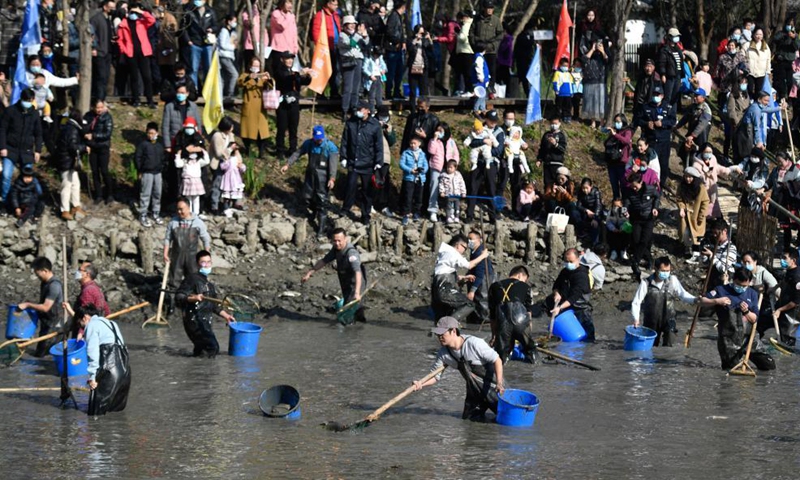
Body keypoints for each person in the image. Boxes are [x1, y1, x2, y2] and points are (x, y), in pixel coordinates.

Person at [413, 316, 504, 420]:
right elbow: (435, 377)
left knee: (506, 418)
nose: (439, 336)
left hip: (492, 387)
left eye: (442, 333)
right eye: (438, 334)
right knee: (469, 422)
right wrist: (420, 384)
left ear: (454, 331)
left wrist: (499, 383)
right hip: (474, 392)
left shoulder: (474, 344)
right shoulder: (443, 354)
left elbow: (497, 360)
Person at [63, 303, 131, 415]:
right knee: (115, 412)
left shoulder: (92, 325)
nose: (82, 328)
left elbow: (92, 353)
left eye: (80, 324)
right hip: (125, 371)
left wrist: (92, 377)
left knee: (95, 413)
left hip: (109, 370)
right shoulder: (112, 323)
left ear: (84, 317)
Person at [701, 268, 775, 370]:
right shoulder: (721, 290)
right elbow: (701, 301)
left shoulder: (752, 293)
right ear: (733, 280)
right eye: (738, 285)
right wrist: (717, 301)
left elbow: (754, 319)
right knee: (732, 372)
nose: (741, 288)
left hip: (748, 338)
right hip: (728, 340)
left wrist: (746, 312)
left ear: (749, 283)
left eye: (745, 286)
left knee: (769, 366)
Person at [281, 125, 339, 236]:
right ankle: (313, 210)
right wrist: (288, 164)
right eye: (317, 139)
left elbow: (333, 164)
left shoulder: (330, 147)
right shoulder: (309, 143)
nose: (319, 140)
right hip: (310, 175)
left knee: (322, 202)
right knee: (306, 197)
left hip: (323, 177)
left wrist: (332, 178)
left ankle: (321, 229)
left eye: (320, 138)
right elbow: (298, 153)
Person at [175, 250, 235, 357]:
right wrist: (193, 298)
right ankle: (207, 372)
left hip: (206, 322)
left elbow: (214, 306)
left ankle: (196, 371)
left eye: (208, 262)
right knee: (212, 347)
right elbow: (179, 296)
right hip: (194, 321)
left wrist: (226, 316)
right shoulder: (192, 279)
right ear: (197, 264)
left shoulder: (209, 285)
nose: (206, 265)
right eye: (203, 262)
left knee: (200, 351)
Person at [302, 228, 368, 324]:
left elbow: (358, 272)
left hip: (356, 284)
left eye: (339, 241)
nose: (337, 243)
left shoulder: (351, 254)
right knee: (356, 310)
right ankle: (361, 323)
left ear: (345, 239)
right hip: (346, 281)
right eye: (335, 241)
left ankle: (350, 329)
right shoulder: (336, 249)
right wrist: (309, 273)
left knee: (347, 312)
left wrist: (357, 292)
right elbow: (324, 261)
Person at [630, 257, 696, 346]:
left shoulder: (673, 280)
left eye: (668, 270)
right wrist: (636, 319)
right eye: (663, 271)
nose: (665, 273)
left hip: (670, 321)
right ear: (655, 269)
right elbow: (636, 302)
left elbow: (683, 295)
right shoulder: (646, 283)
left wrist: (695, 299)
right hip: (651, 322)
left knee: (669, 348)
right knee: (650, 347)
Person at [163, 197, 212, 315]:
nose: (179, 212)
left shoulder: (198, 222)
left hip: (192, 257)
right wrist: (165, 253)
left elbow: (206, 239)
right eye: (178, 210)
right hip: (176, 257)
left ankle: (194, 304)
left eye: (182, 209)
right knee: (174, 281)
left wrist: (207, 255)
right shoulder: (173, 222)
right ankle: (172, 305)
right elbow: (167, 239)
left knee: (194, 280)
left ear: (188, 208)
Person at [340, 101, 383, 224]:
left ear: (367, 110)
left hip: (368, 163)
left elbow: (378, 145)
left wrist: (378, 161)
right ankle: (345, 209)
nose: (358, 111)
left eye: (361, 109)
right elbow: (345, 141)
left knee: (366, 191)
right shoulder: (351, 123)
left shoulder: (374, 125)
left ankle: (365, 214)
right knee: (350, 187)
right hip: (353, 162)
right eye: (357, 108)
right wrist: (343, 157)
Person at [431, 234, 490, 322]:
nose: (464, 251)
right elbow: (469, 265)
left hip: (436, 290)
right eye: (464, 248)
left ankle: (443, 328)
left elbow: (444, 273)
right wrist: (483, 256)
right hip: (444, 290)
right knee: (469, 304)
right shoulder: (453, 253)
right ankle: (449, 324)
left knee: (442, 316)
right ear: (458, 245)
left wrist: (463, 277)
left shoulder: (444, 253)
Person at [0, 90, 42, 203]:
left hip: (26, 151)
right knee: (6, 175)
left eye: (30, 100)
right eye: (26, 100)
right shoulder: (10, 111)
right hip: (10, 148)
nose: (28, 103)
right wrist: (2, 147)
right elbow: (2, 129)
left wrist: (38, 150)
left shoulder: (35, 114)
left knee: (28, 177)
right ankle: (4, 200)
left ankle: (26, 201)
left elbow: (38, 133)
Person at [488, 265, 537, 363]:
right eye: (525, 279)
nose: (524, 282)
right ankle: (534, 365)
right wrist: (529, 334)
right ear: (520, 275)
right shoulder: (527, 287)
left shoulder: (494, 286)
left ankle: (501, 374)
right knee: (530, 350)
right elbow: (528, 312)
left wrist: (494, 336)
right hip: (521, 322)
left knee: (501, 357)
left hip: (503, 323)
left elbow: (493, 316)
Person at [17, 257, 63, 357]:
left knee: (49, 354)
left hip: (56, 324)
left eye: (37, 273)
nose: (36, 276)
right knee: (39, 354)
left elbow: (46, 307)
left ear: (45, 271)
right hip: (46, 322)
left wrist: (28, 304)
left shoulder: (54, 285)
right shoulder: (44, 283)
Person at [546, 248, 596, 342]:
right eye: (566, 261)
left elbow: (575, 296)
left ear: (578, 260)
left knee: (587, 338)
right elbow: (556, 285)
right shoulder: (565, 272)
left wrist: (560, 307)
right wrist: (557, 294)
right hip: (566, 306)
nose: (568, 263)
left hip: (581, 308)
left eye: (571, 261)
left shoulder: (582, 275)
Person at [465, 110, 504, 222]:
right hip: (477, 162)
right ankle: (470, 215)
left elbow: (499, 149)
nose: (493, 123)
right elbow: (472, 143)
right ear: (486, 119)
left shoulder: (499, 131)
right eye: (491, 120)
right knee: (473, 188)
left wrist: (488, 153)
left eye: (495, 121)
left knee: (491, 189)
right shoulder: (478, 128)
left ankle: (492, 215)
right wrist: (483, 141)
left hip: (491, 163)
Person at [274, 52, 312, 158]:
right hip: (283, 104)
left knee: (293, 128)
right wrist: (299, 73)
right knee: (282, 128)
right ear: (282, 59)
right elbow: (286, 78)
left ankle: (292, 150)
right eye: (288, 59)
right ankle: (280, 150)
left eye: (291, 59)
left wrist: (308, 75)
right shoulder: (279, 71)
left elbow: (303, 81)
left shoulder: (293, 73)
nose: (290, 61)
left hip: (294, 104)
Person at [117, 5, 156, 108]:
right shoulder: (123, 24)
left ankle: (150, 100)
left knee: (147, 77)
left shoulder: (141, 22)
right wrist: (124, 50)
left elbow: (152, 20)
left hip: (143, 52)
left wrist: (141, 11)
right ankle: (136, 99)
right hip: (131, 53)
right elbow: (120, 40)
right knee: (134, 77)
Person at [623, 172, 660, 281]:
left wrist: (655, 208)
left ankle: (635, 261)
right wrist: (625, 212)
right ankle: (649, 259)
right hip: (635, 219)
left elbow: (657, 197)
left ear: (641, 182)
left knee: (645, 240)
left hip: (648, 219)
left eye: (635, 186)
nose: (634, 188)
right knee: (636, 240)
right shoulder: (628, 191)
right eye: (632, 186)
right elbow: (625, 203)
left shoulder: (650, 189)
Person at [638, 85, 675, 189]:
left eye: (658, 95)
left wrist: (663, 123)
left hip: (664, 141)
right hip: (652, 141)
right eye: (654, 94)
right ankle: (649, 184)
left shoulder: (668, 108)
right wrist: (646, 124)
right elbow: (638, 120)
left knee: (663, 165)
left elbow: (673, 121)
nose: (656, 96)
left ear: (662, 96)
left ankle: (661, 186)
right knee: (652, 164)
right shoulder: (646, 107)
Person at [56, 109, 87, 221]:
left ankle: (76, 206)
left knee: (75, 183)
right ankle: (64, 209)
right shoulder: (72, 130)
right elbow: (73, 147)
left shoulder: (67, 127)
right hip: (66, 162)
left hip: (67, 161)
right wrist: (84, 148)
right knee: (67, 185)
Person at [237, 57, 271, 158]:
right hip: (250, 106)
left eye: (258, 66)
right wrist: (249, 77)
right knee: (247, 130)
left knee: (262, 131)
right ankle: (248, 150)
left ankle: (261, 152)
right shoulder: (245, 75)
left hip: (260, 107)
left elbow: (271, 85)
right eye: (254, 66)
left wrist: (269, 78)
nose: (256, 68)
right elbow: (240, 83)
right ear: (250, 66)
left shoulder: (262, 76)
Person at [83, 99, 115, 204]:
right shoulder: (88, 116)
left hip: (103, 147)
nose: (99, 110)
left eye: (101, 107)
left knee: (104, 171)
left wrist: (94, 135)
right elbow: (84, 128)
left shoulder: (107, 117)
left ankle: (109, 193)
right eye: (97, 108)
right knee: (95, 171)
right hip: (92, 147)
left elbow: (107, 134)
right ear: (93, 107)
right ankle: (98, 194)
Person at [741, 251, 779, 338]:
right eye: (744, 262)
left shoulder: (763, 273)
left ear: (755, 261)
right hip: (749, 304)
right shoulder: (743, 273)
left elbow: (776, 287)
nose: (746, 264)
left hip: (763, 304)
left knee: (759, 325)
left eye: (748, 262)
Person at [180, 0, 218, 86]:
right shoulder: (189, 12)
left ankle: (207, 88)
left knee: (208, 68)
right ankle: (194, 89)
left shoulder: (211, 11)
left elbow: (216, 26)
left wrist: (212, 29)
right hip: (194, 43)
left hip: (207, 43)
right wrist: (188, 40)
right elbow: (184, 27)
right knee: (194, 68)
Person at [426, 122, 459, 222]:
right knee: (434, 188)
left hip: (448, 169)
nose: (439, 132)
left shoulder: (451, 141)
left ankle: (450, 212)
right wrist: (435, 139)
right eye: (438, 130)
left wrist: (455, 165)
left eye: (441, 130)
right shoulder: (434, 140)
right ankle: (433, 211)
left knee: (450, 189)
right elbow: (431, 151)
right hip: (436, 167)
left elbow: (456, 154)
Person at [468, 0, 503, 91]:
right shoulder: (477, 20)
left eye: (491, 8)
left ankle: (491, 87)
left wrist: (493, 46)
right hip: (479, 49)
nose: (489, 10)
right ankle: (478, 87)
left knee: (492, 70)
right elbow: (471, 33)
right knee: (478, 69)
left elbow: (500, 35)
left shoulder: (496, 20)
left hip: (491, 49)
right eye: (488, 8)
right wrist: (474, 45)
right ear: (484, 8)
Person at [338, 16, 368, 120]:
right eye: (350, 24)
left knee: (356, 87)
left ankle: (354, 108)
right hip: (348, 61)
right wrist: (357, 37)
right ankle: (345, 110)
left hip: (358, 60)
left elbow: (366, 45)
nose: (352, 26)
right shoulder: (342, 35)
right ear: (345, 25)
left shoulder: (357, 35)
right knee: (348, 87)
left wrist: (364, 36)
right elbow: (349, 43)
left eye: (354, 24)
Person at [677, 167, 710, 261]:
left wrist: (701, 215)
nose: (688, 179)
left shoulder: (701, 188)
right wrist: (681, 208)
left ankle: (696, 254)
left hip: (696, 215)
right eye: (686, 177)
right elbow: (679, 198)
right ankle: (687, 247)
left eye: (690, 177)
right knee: (685, 232)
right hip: (685, 215)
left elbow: (705, 202)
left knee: (697, 235)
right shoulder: (681, 186)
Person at [136, 122, 165, 227]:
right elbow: (138, 158)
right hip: (147, 172)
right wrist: (140, 170)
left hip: (157, 173)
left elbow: (163, 158)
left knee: (157, 193)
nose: (150, 135)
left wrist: (162, 168)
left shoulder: (159, 145)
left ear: (157, 133)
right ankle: (143, 214)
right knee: (145, 194)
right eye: (149, 133)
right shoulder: (143, 145)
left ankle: (155, 213)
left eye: (152, 133)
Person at [311, 0, 343, 97]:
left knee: (335, 70)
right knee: (323, 70)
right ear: (328, 4)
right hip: (324, 47)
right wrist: (319, 47)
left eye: (337, 4)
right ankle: (320, 94)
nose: (336, 6)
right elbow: (315, 32)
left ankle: (334, 92)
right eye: (334, 4)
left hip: (336, 46)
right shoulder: (320, 15)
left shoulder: (336, 15)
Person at [174, 132, 210, 216]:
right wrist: (178, 154)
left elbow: (207, 161)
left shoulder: (198, 161)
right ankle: (189, 213)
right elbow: (178, 164)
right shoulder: (185, 161)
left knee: (196, 199)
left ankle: (196, 214)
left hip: (196, 180)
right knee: (188, 199)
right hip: (187, 181)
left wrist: (202, 150)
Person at [209, 116, 239, 215]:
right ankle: (214, 206)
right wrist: (230, 149)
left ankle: (226, 205)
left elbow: (235, 148)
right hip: (218, 163)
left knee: (228, 185)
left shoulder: (230, 135)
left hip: (228, 164)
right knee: (217, 184)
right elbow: (218, 153)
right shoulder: (217, 136)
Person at [691, 142, 729, 218]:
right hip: (703, 189)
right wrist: (705, 176)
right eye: (706, 152)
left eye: (710, 152)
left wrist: (728, 170)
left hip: (712, 188)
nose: (708, 154)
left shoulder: (713, 159)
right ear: (702, 152)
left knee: (714, 205)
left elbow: (717, 168)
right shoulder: (696, 165)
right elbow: (696, 179)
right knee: (703, 207)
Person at [676, 89, 712, 166]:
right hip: (691, 133)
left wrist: (693, 136)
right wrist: (677, 126)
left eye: (697, 96)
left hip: (700, 136)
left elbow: (702, 124)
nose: (695, 97)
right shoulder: (692, 107)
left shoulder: (706, 109)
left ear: (703, 98)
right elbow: (685, 118)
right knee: (683, 152)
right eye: (694, 95)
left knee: (698, 156)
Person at [698, 218, 738, 289]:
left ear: (724, 231)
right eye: (713, 233)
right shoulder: (715, 245)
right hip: (712, 280)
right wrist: (704, 255)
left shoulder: (730, 248)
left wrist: (712, 256)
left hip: (723, 284)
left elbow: (723, 268)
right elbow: (706, 264)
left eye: (716, 233)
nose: (714, 235)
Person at [466, 230, 495, 326]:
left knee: (482, 302)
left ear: (478, 240)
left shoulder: (480, 253)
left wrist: (472, 290)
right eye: (468, 239)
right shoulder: (474, 251)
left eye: (471, 239)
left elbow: (480, 274)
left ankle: (484, 320)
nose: (469, 241)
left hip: (483, 280)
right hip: (478, 278)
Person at [773, 250, 800, 346]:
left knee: (787, 339)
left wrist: (780, 310)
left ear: (793, 260)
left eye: (785, 258)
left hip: (792, 312)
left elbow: (796, 301)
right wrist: (774, 288)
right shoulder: (789, 272)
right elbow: (784, 282)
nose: (781, 260)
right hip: (783, 306)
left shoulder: (797, 277)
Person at [580, 36, 608, 129]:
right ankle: (593, 122)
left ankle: (602, 122)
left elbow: (608, 60)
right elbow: (584, 60)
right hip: (589, 80)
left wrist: (603, 51)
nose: (597, 46)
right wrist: (592, 49)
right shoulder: (588, 52)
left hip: (601, 81)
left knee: (601, 102)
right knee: (591, 102)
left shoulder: (604, 53)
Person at [605, 114, 633, 199]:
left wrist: (615, 135)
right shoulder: (614, 131)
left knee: (623, 186)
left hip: (622, 163)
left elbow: (626, 141)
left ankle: (624, 205)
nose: (617, 123)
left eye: (618, 121)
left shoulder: (627, 131)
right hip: (612, 162)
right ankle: (616, 203)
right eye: (615, 122)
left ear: (623, 121)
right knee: (614, 186)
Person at [771, 18, 800, 101]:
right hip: (781, 60)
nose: (789, 26)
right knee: (781, 80)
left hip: (791, 61)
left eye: (791, 25)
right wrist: (785, 34)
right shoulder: (781, 33)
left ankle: (790, 98)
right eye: (788, 24)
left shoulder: (796, 35)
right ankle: (782, 96)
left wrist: (794, 38)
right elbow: (775, 39)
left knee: (790, 81)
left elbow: (797, 47)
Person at [383, 1, 407, 100]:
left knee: (399, 72)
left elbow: (401, 32)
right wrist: (397, 41)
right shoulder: (393, 16)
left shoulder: (399, 17)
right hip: (392, 48)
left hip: (398, 49)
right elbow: (389, 31)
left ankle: (397, 91)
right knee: (391, 72)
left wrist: (403, 42)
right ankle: (389, 92)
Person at [8, 163, 43, 228]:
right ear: (22, 177)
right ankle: (21, 220)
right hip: (21, 201)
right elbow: (14, 196)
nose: (28, 179)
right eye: (26, 177)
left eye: (30, 177)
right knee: (30, 208)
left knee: (41, 204)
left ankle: (35, 217)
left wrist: (33, 200)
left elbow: (36, 194)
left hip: (30, 200)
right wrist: (16, 207)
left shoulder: (33, 183)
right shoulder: (17, 184)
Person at [657, 28, 685, 108]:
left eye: (678, 36)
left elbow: (681, 62)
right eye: (675, 36)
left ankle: (672, 115)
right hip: (669, 76)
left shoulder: (678, 49)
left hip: (678, 76)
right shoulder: (664, 50)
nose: (677, 38)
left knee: (675, 96)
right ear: (669, 37)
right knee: (667, 96)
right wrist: (663, 74)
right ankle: (664, 113)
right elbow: (662, 63)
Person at [536, 116, 567, 188]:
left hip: (557, 163)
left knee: (557, 183)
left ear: (559, 123)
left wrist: (556, 144)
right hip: (547, 164)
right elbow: (542, 149)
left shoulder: (561, 136)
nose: (553, 125)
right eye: (552, 123)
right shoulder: (546, 135)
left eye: (555, 123)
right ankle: (547, 197)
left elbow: (563, 149)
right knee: (547, 184)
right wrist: (539, 159)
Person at [269, 0, 299, 74]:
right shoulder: (276, 13)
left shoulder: (291, 16)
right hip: (278, 49)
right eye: (288, 2)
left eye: (291, 3)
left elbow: (294, 33)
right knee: (279, 73)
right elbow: (282, 26)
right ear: (282, 3)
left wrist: (295, 46)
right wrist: (289, 16)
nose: (290, 5)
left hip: (290, 49)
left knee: (289, 74)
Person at [632, 59, 661, 130]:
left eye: (650, 66)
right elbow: (637, 91)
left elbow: (660, 92)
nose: (648, 69)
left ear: (653, 67)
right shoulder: (641, 77)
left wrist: (659, 98)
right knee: (635, 122)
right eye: (647, 66)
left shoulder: (656, 78)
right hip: (640, 103)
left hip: (650, 105)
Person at [575, 177, 603, 245]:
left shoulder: (596, 192)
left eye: (586, 188)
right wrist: (586, 210)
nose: (585, 190)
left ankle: (595, 244)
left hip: (595, 212)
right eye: (583, 188)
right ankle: (582, 233)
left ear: (591, 186)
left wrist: (595, 218)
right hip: (586, 212)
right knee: (575, 214)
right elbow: (578, 205)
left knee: (595, 225)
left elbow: (598, 206)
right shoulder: (580, 192)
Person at [217, 15, 239, 99]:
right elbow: (222, 44)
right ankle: (230, 93)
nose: (235, 23)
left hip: (230, 56)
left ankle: (221, 94)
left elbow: (235, 42)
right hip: (223, 55)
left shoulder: (233, 32)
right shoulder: (224, 31)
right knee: (234, 74)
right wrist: (232, 47)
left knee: (223, 76)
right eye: (234, 21)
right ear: (229, 21)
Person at [453, 11, 474, 96]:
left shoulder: (466, 25)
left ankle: (469, 90)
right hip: (465, 51)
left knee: (467, 73)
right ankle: (467, 89)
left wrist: (457, 35)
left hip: (466, 51)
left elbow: (463, 37)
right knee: (465, 72)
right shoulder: (468, 24)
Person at [745, 29, 771, 99]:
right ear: (753, 35)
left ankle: (756, 105)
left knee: (758, 90)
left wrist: (768, 71)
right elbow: (742, 56)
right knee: (749, 89)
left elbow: (768, 60)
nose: (758, 36)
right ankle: (748, 102)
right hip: (749, 72)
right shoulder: (747, 45)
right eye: (757, 34)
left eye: (760, 34)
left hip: (761, 72)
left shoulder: (766, 47)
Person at [439, 159, 467, 224]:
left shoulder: (458, 175)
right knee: (449, 207)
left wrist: (463, 192)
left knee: (457, 207)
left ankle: (456, 217)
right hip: (449, 194)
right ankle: (449, 217)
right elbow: (441, 184)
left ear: (455, 168)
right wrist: (442, 192)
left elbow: (462, 184)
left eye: (451, 167)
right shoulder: (444, 175)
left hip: (457, 194)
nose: (449, 169)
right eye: (448, 167)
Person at [363, 45, 386, 111]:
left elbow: (383, 65)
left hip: (379, 77)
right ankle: (372, 111)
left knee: (379, 96)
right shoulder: (368, 58)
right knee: (371, 96)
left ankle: (380, 111)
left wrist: (383, 69)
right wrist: (370, 75)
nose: (377, 57)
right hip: (372, 78)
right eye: (377, 55)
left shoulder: (380, 57)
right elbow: (364, 68)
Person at [553, 57, 575, 122]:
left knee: (567, 106)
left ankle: (567, 117)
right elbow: (555, 82)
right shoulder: (557, 73)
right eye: (564, 65)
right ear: (560, 65)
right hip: (560, 93)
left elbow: (571, 84)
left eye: (566, 66)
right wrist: (556, 89)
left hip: (568, 94)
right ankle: (558, 117)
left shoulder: (568, 74)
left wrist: (572, 92)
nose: (565, 67)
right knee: (558, 106)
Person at [472, 41, 489, 115]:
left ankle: (483, 109)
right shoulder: (479, 57)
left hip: (483, 80)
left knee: (483, 95)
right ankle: (476, 109)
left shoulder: (480, 57)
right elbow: (478, 67)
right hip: (480, 80)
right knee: (480, 95)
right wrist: (480, 76)